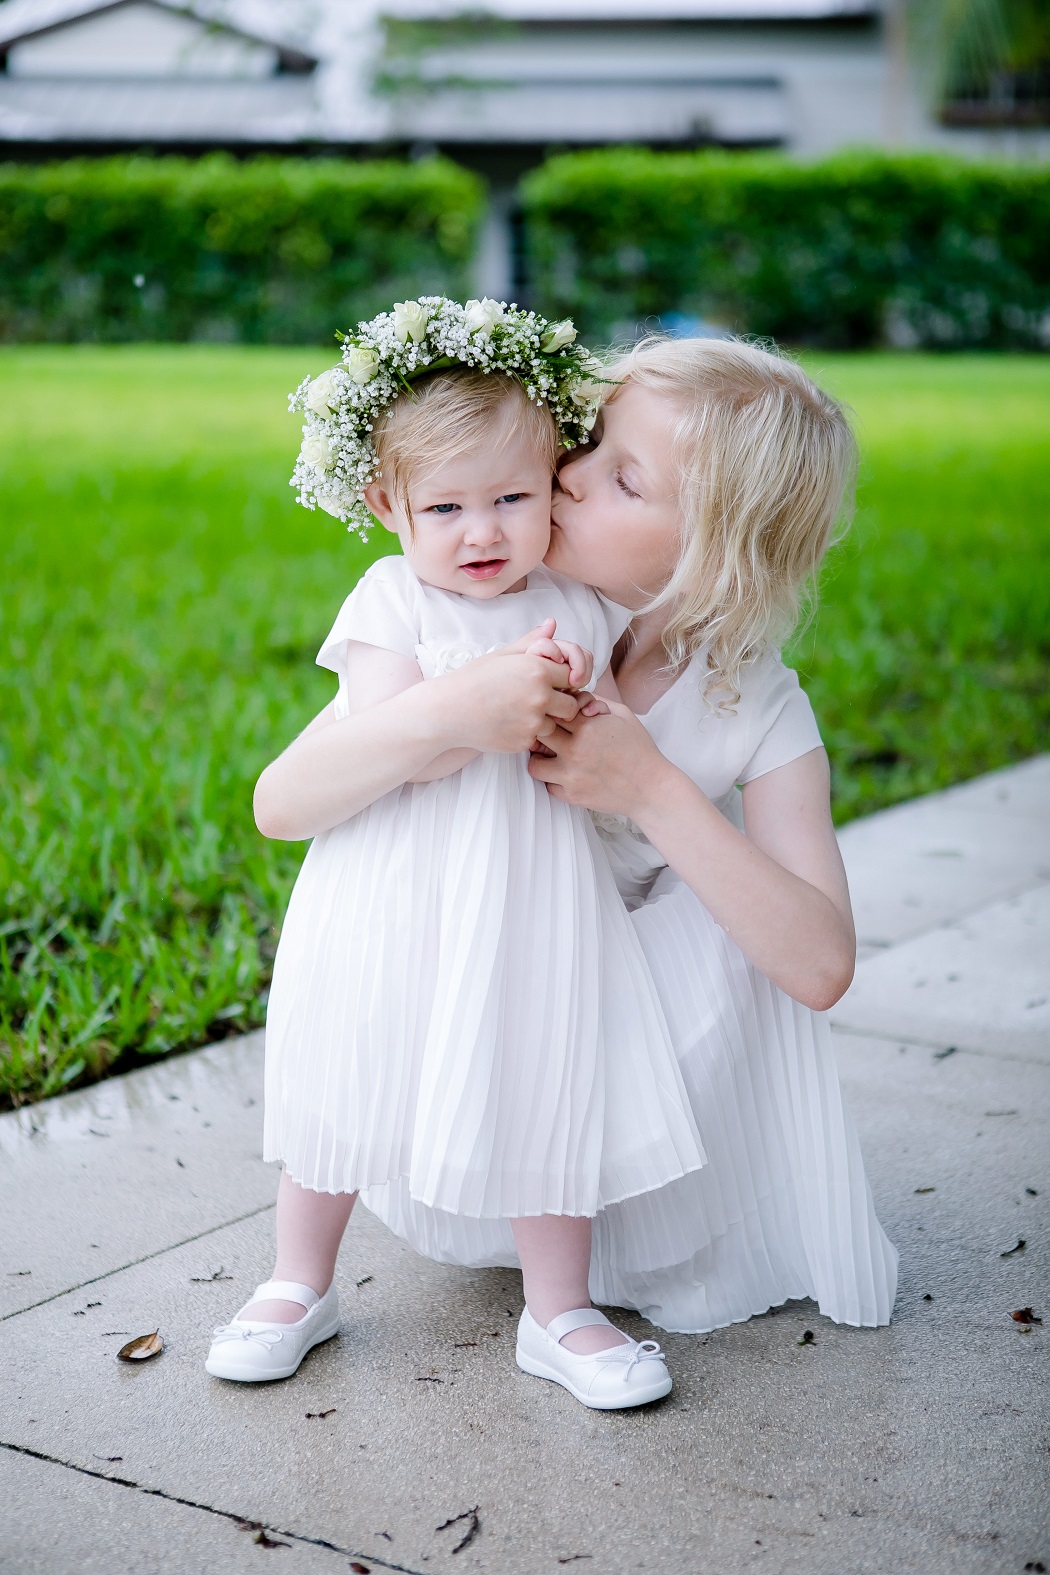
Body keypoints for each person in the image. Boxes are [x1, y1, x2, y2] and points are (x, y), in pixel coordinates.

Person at [204, 299, 704, 1409]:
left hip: (532, 893)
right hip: (391, 888)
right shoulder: (391, 599)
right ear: (387, 505)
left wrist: (575, 695)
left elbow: (612, 729)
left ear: (549, 486)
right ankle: (298, 1282)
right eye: (447, 507)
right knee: (350, 1074)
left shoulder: (574, 599)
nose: (483, 533)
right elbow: (398, 745)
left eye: (513, 499)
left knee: (545, 1074)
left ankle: (559, 1308)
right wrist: (474, 699)